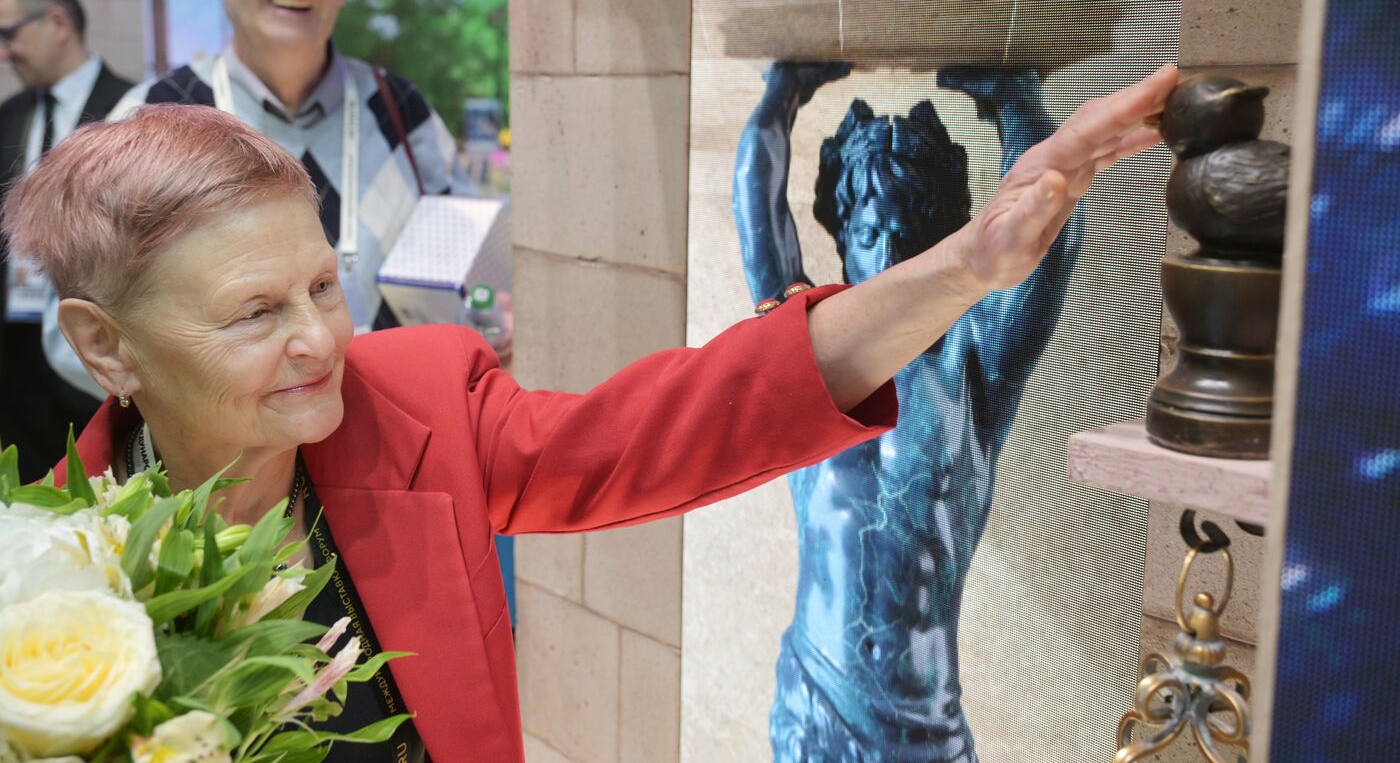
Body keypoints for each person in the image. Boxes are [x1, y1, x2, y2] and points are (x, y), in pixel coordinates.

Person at [15, 63, 1174, 760]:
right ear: (104, 344)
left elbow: (686, 420)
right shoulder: (45, 576)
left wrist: (969, 264)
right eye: (254, 313)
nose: (320, 339)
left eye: (322, 285)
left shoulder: (414, 404)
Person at [736, 63, 1085, 761]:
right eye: (870, 234)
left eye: (907, 234)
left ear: (940, 240)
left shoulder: (972, 363)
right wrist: (783, 91)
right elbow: (760, 223)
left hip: (921, 726)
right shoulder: (811, 360)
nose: (889, 256)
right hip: (815, 706)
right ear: (844, 240)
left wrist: (1015, 103)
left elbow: (1053, 243)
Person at [106, 0, 456, 336]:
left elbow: (468, 275)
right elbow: (86, 324)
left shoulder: (400, 108)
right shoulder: (149, 120)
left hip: (398, 387)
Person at [0, 0, 132, 482]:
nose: (5, 52)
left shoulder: (130, 108)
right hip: (16, 352)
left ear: (57, 23)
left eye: (9, 34)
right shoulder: (11, 115)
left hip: (95, 342)